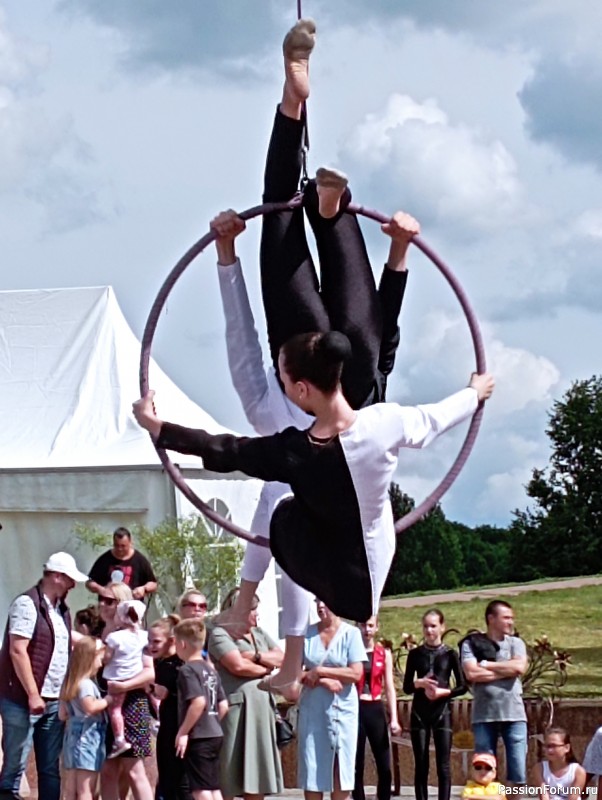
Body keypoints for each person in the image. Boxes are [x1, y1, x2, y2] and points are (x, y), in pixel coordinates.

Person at [211, 14, 419, 679]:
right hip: (309, 353)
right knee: (280, 211)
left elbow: (385, 352)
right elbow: (244, 350)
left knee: (355, 314)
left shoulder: (359, 499)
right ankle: (301, 132)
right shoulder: (288, 455)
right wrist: (226, 259)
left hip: (350, 363)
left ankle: (323, 184)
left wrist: (398, 259)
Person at [133, 333, 494, 695]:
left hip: (332, 575)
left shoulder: (295, 452)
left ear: (302, 390)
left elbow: (226, 449)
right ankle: (279, 647)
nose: (284, 389)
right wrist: (474, 392)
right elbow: (436, 419)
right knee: (326, 505)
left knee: (279, 504)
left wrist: (158, 427)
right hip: (372, 569)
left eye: (284, 382)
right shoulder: (385, 421)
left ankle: (254, 615)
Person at [0, 551, 89, 800]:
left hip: (52, 699)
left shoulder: (60, 609)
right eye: (70, 579)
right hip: (23, 699)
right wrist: (32, 694)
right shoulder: (27, 604)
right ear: (58, 577)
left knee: (50, 769)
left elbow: (61, 641)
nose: (73, 585)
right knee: (14, 767)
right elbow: (18, 650)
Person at [207, 588, 284, 800]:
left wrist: (255, 656)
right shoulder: (219, 634)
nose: (255, 613)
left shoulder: (259, 634)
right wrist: (266, 669)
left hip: (262, 712)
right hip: (237, 710)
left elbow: (282, 658)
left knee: (257, 774)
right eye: (251, 609)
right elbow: (237, 666)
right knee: (230, 772)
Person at [298, 598, 367, 800]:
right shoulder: (306, 634)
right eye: (317, 601)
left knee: (341, 768)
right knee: (312, 766)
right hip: (313, 709)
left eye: (325, 601)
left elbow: (356, 673)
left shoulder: (351, 634)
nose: (320, 606)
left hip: (342, 711)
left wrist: (320, 671)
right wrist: (323, 681)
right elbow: (294, 673)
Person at [460, 600, 528, 787]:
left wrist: (488, 665)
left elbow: (519, 667)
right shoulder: (471, 644)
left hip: (514, 714)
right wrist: (506, 670)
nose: (510, 622)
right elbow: (471, 673)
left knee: (518, 773)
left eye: (511, 618)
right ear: (491, 619)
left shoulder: (516, 643)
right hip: (484, 716)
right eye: (506, 618)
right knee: (484, 773)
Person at [97, 583, 154, 800]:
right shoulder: (99, 630)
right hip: (101, 705)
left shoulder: (141, 636)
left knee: (134, 769)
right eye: (101, 599)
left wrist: (124, 686)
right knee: (108, 771)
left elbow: (149, 673)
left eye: (109, 601)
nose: (102, 604)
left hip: (132, 703)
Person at [403, 609, 466, 800]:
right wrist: (419, 683)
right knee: (421, 763)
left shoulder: (450, 654)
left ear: (442, 627)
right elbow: (406, 687)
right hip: (420, 713)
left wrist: (443, 692)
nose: (429, 631)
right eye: (426, 626)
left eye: (433, 626)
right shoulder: (415, 654)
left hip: (442, 711)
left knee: (443, 765)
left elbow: (463, 686)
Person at [175, 619, 228, 800]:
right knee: (212, 786)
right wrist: (212, 721)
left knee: (199, 789)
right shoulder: (210, 669)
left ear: (182, 644)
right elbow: (223, 705)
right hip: (215, 734)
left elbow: (198, 702)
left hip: (199, 736)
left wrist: (183, 732)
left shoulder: (187, 670)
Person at [353, 616, 401, 800]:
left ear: (377, 627)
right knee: (356, 764)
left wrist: (394, 718)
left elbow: (389, 687)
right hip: (356, 706)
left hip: (375, 706)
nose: (367, 629)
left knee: (383, 763)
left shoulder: (383, 653)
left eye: (371, 625)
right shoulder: (351, 651)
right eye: (363, 625)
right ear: (358, 626)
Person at [59, 636, 110, 800]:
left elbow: (62, 714)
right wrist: (107, 700)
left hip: (72, 738)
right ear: (89, 658)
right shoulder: (86, 684)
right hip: (88, 738)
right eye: (99, 659)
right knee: (86, 789)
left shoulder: (69, 683)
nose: (101, 664)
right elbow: (90, 707)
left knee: (71, 788)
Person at [148, 614, 192, 800]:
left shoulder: (178, 665)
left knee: (180, 780)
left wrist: (151, 687)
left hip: (179, 726)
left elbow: (165, 692)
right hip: (166, 726)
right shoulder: (159, 663)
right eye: (149, 641)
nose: (151, 646)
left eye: (157, 641)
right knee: (166, 776)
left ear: (172, 640)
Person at [102, 599, 149, 757]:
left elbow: (106, 658)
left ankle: (119, 739)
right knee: (151, 691)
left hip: (117, 678)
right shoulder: (144, 636)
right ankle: (157, 719)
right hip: (136, 675)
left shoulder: (114, 638)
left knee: (115, 709)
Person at [86, 527, 157, 601]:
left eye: (123, 546)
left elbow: (153, 584)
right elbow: (90, 582)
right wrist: (101, 590)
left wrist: (143, 589)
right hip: (109, 606)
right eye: (117, 545)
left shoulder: (139, 560)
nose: (120, 549)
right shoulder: (104, 559)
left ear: (130, 542)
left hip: (131, 605)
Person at [532, 727, 586, 799]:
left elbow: (573, 798)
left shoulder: (578, 771)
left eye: (554, 746)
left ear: (567, 748)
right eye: (547, 746)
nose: (549, 750)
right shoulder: (539, 769)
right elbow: (544, 796)